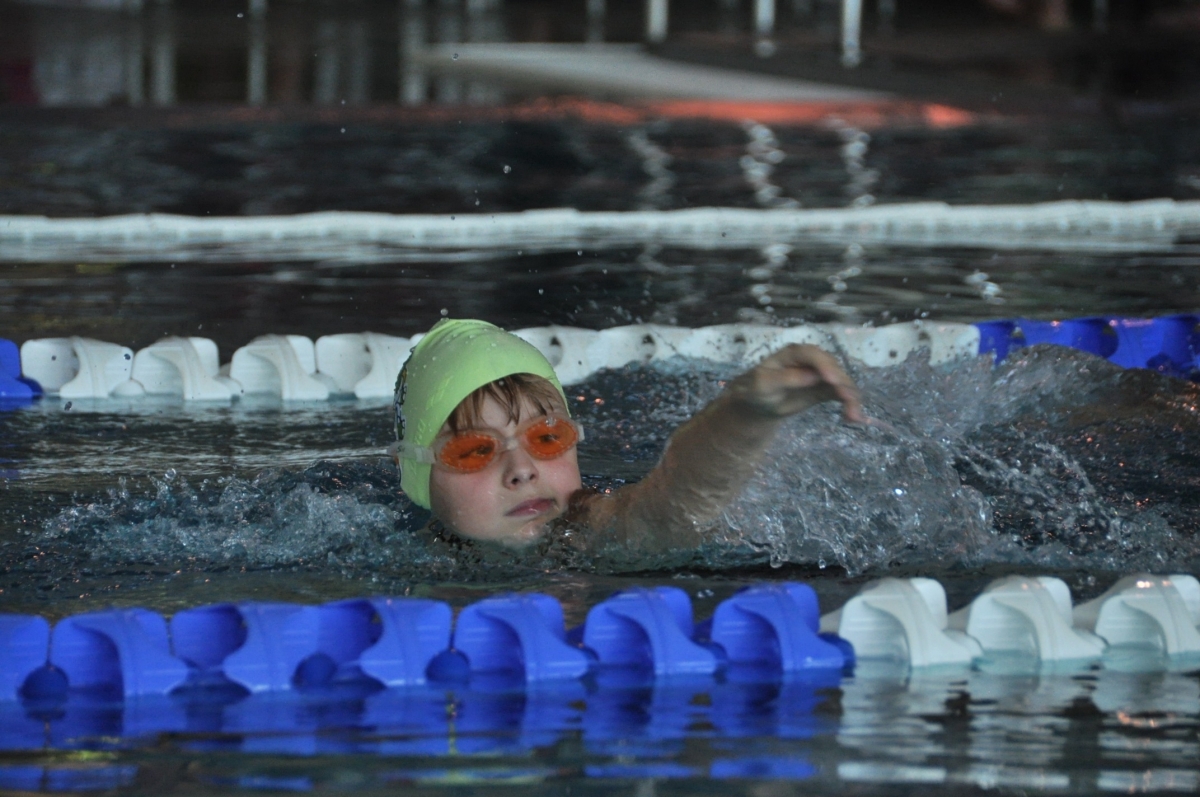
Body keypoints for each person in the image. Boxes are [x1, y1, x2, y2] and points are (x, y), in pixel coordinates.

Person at [393, 318, 864, 557]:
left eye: (547, 438)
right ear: (415, 475)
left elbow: (666, 513)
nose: (522, 470)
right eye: (475, 450)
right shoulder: (389, 561)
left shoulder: (581, 526)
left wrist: (745, 414)